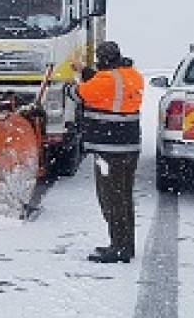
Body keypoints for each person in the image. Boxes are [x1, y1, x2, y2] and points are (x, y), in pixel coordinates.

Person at [67, 41, 144, 263]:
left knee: (110, 198)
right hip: (128, 148)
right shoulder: (132, 75)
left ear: (103, 59)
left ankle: (118, 249)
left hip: (109, 151)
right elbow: (105, 85)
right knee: (124, 198)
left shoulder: (107, 80)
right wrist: (84, 71)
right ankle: (124, 245)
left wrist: (70, 80)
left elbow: (77, 93)